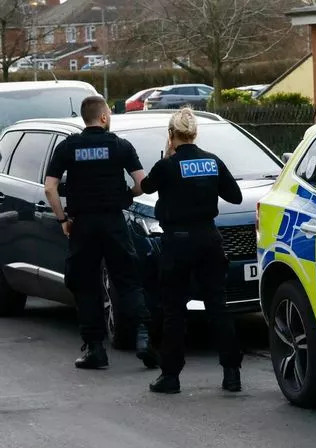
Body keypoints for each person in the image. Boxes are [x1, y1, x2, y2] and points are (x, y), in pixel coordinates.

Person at [44, 96, 157, 370]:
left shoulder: (68, 147)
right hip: (114, 223)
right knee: (128, 280)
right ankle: (144, 338)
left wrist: (62, 220)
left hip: (82, 225)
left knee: (85, 285)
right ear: (104, 117)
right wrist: (125, 196)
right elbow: (142, 183)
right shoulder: (120, 146)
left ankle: (95, 349)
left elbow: (49, 188)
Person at [140, 107, 243, 394]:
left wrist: (166, 159)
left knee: (174, 311)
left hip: (178, 242)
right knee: (218, 307)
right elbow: (234, 196)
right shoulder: (212, 161)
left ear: (171, 135)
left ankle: (170, 377)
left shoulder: (167, 166)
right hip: (209, 239)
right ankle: (232, 374)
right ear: (195, 133)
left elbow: (146, 186)